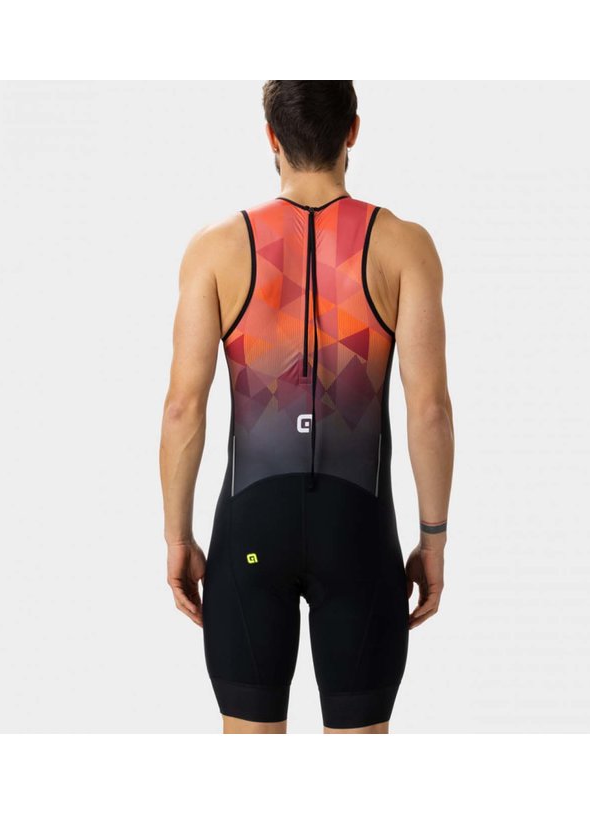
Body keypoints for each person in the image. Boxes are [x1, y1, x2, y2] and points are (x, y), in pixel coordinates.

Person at [159, 80, 454, 734]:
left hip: (250, 528)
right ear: (353, 130)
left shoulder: (217, 247)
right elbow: (430, 409)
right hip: (358, 531)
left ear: (271, 136)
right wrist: (432, 540)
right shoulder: (404, 246)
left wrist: (178, 538)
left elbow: (183, 407)